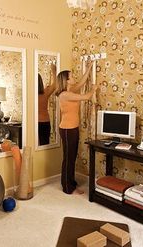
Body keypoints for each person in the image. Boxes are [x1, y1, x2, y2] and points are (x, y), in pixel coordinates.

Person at [55, 62, 97, 194]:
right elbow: (86, 96)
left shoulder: (69, 91)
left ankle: (71, 182)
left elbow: (81, 83)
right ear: (66, 80)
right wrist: (94, 89)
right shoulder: (65, 94)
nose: (74, 78)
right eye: (71, 76)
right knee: (68, 158)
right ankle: (67, 187)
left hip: (73, 128)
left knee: (72, 157)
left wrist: (89, 68)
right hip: (67, 130)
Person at [38, 63, 57, 145]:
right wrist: (54, 71)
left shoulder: (30, 95)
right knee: (44, 145)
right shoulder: (45, 92)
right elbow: (56, 84)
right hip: (45, 122)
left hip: (37, 123)